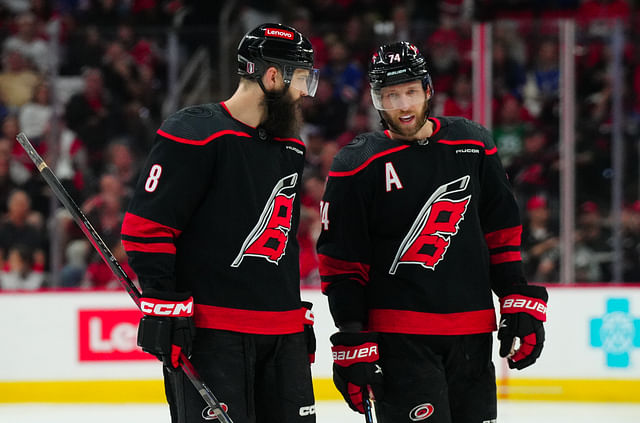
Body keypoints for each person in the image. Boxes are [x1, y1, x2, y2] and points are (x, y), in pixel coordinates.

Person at [316, 42, 549, 423]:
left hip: (472, 331)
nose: (403, 106)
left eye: (410, 91)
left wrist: (515, 295)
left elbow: (500, 231)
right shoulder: (356, 163)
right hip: (400, 337)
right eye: (391, 95)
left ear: (427, 90)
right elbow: (341, 261)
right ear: (376, 101)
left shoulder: (473, 143)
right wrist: (352, 333)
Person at [121, 23, 319, 423]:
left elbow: (281, 241)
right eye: (300, 79)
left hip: (281, 336)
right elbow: (146, 229)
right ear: (272, 76)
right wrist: (165, 306)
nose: (303, 93)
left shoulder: (291, 147)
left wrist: (293, 316)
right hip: (213, 336)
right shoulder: (194, 133)